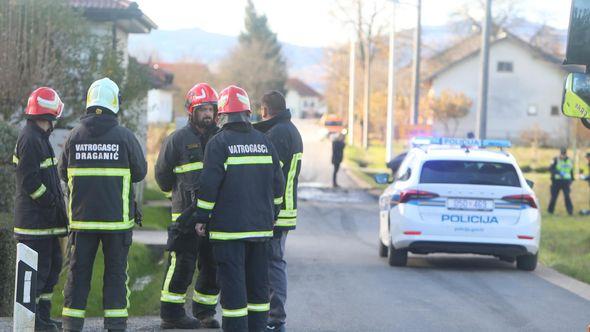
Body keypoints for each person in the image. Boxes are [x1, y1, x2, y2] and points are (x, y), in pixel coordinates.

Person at [58, 78, 147, 332]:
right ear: (115, 102)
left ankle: (72, 325)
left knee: (78, 274)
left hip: (81, 221)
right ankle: (116, 324)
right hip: (116, 223)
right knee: (116, 274)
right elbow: (140, 172)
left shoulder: (74, 136)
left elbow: (62, 172)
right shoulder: (125, 136)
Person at [194, 85, 285, 332]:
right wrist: (273, 213)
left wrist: (202, 217)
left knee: (233, 291)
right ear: (247, 112)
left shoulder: (218, 143)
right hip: (261, 231)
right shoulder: (265, 142)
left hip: (228, 233)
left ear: (222, 115)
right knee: (257, 290)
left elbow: (209, 186)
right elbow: (279, 185)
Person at [155, 83, 221, 329]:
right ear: (191, 111)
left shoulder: (221, 138)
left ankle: (205, 312)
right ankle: (171, 314)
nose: (207, 114)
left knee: (212, 263)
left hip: (215, 213)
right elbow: (162, 176)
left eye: (210, 109)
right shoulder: (177, 140)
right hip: (184, 213)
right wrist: (178, 197)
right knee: (182, 262)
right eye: (202, 109)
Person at [13, 87, 68, 332]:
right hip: (34, 224)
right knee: (36, 275)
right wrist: (51, 203)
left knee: (50, 269)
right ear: (51, 112)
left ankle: (42, 318)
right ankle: (32, 322)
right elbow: (30, 181)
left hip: (45, 224)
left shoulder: (39, 138)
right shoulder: (30, 139)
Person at [253, 91, 303, 332]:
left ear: (264, 110)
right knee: (273, 261)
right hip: (285, 208)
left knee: (273, 263)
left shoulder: (278, 133)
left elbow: (272, 174)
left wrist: (269, 210)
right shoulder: (289, 129)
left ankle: (275, 318)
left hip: (277, 210)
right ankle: (273, 316)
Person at [548, 147, 574, 215]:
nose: (563, 155)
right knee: (554, 197)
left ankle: (570, 211)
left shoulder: (569, 160)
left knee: (567, 196)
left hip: (566, 182)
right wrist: (559, 172)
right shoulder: (555, 159)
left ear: (566, 154)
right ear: (560, 153)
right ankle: (550, 211)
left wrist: (572, 179)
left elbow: (571, 171)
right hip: (556, 181)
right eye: (562, 154)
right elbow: (551, 169)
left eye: (564, 154)